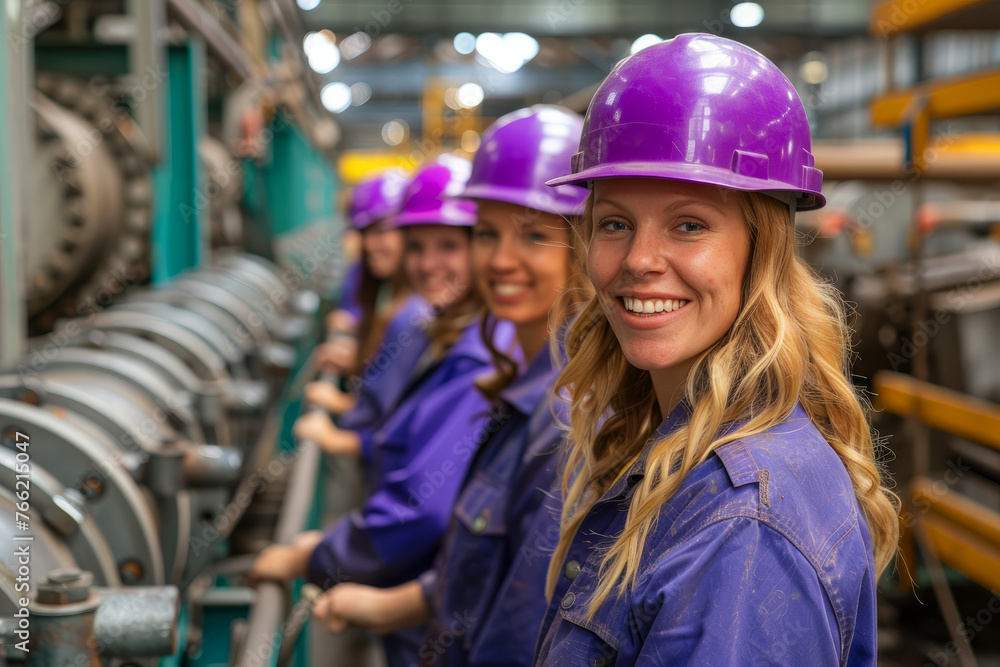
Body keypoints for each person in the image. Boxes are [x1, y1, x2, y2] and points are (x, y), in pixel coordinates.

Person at [530, 34, 900, 666]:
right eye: (615, 223)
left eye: (689, 225)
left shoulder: (743, 533)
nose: (639, 261)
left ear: (761, 251)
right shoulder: (676, 450)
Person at [309, 106, 590, 667]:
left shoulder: (566, 411)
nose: (502, 260)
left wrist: (315, 559)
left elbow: (521, 626)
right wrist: (392, 608)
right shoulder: (517, 380)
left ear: (584, 246)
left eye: (534, 235)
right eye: (487, 233)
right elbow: (483, 562)